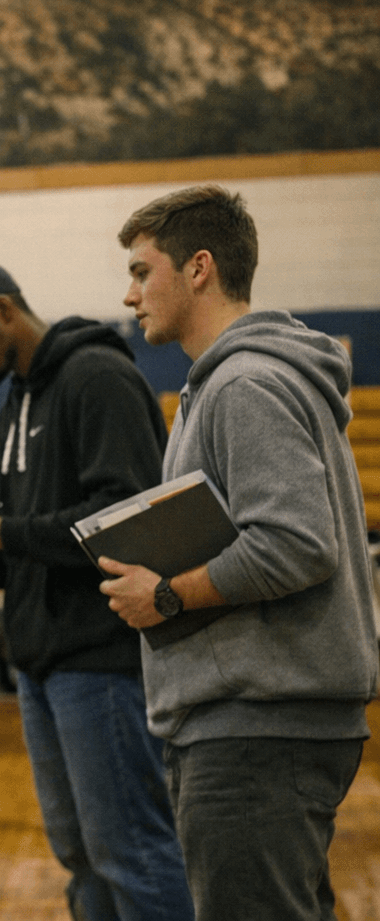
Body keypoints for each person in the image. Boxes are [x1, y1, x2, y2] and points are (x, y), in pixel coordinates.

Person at [101, 184, 378, 921]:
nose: (129, 294)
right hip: (256, 720)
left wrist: (164, 594)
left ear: (198, 269)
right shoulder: (226, 384)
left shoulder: (245, 384)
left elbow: (294, 545)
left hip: (259, 726)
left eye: (140, 271)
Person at [0, 261, 192, 921]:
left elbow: (125, 519)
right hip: (40, 666)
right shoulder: (17, 399)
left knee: (132, 853)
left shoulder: (97, 378)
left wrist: (3, 533)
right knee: (79, 855)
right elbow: (31, 549)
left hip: (101, 660)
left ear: (5, 310)